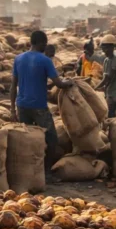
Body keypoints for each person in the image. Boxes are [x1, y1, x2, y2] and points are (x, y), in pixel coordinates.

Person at [10, 30, 73, 171]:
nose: (46, 46)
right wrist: (69, 82)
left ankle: (28, 170)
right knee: (51, 138)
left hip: (22, 106)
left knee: (26, 140)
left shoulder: (18, 59)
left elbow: (13, 86)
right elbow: (58, 83)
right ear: (41, 43)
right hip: (38, 107)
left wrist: (12, 109)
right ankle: (47, 170)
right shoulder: (45, 60)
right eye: (45, 43)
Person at [97, 35, 116, 118]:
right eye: (103, 49)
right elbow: (106, 77)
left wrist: (96, 88)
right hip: (110, 92)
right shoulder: (106, 61)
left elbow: (111, 77)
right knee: (111, 115)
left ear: (111, 48)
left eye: (105, 48)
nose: (104, 51)